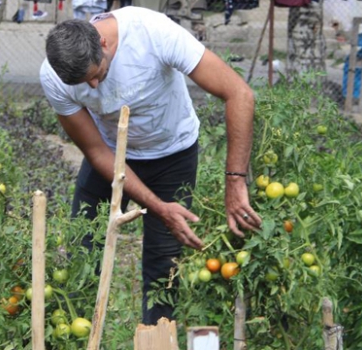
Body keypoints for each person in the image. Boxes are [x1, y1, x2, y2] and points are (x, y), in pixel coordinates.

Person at [39, 6, 262, 325]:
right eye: (82, 83)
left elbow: (239, 93)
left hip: (172, 153)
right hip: (111, 156)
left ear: (102, 43)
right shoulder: (54, 76)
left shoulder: (153, 33)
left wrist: (235, 181)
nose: (91, 88)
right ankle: (76, 339)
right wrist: (158, 206)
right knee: (83, 250)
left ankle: (157, 338)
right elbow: (96, 151)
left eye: (95, 75)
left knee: (163, 268)